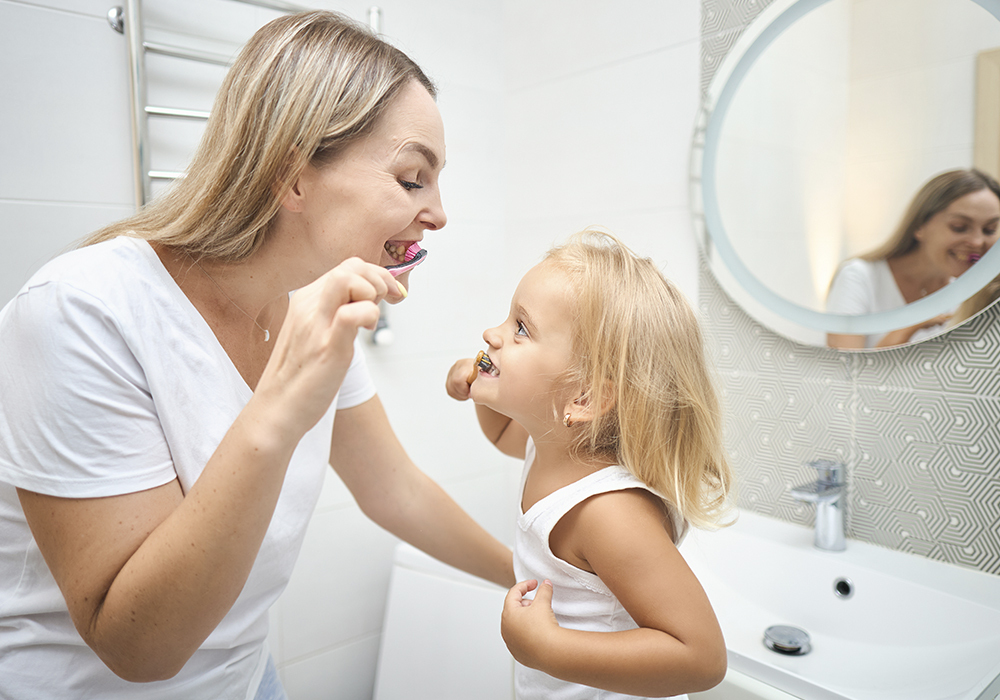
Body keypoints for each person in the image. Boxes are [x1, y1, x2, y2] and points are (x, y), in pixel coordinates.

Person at [0, 11, 513, 700]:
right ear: (293, 177)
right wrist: (280, 407)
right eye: (413, 178)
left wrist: (534, 580)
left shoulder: (310, 311)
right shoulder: (79, 312)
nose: (440, 214)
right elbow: (139, 648)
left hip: (246, 680)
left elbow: (395, 489)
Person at [445, 230, 732, 699]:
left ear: (584, 398)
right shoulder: (550, 446)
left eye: (521, 328)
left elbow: (702, 658)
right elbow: (499, 435)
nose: (492, 335)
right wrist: (479, 384)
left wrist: (547, 649)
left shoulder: (608, 513)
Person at [826, 168, 1000, 349]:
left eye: (990, 230)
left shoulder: (975, 291)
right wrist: (907, 329)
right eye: (959, 227)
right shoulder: (859, 277)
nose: (977, 242)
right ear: (919, 226)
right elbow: (846, 365)